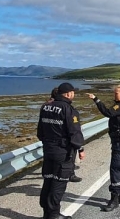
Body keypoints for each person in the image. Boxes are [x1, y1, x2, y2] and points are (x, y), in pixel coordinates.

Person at [37, 82, 85, 219]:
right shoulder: (68, 109)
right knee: (58, 183)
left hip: (48, 150)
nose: (74, 94)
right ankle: (54, 215)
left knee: (48, 181)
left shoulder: (45, 106)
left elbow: (40, 132)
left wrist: (48, 142)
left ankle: (47, 213)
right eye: (73, 92)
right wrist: (80, 148)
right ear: (69, 94)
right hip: (62, 152)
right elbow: (74, 132)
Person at [87, 84, 120, 212]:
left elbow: (107, 112)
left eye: (117, 93)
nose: (115, 95)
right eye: (114, 93)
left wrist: (96, 99)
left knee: (114, 169)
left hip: (119, 141)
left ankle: (114, 199)